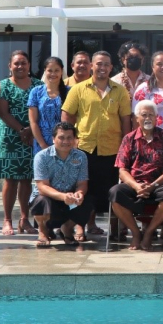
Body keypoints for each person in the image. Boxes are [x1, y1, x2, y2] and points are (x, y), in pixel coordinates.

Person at [61, 50, 132, 236]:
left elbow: (125, 120)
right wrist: (70, 143)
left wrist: (126, 147)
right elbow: (67, 117)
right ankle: (81, 226)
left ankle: (115, 229)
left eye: (106, 64)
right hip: (84, 148)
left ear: (111, 68)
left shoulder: (120, 91)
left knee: (112, 190)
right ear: (92, 66)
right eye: (99, 64)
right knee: (84, 190)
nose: (102, 67)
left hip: (112, 149)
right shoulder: (78, 89)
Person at [108, 100, 163, 251]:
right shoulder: (129, 139)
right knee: (114, 192)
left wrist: (153, 185)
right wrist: (136, 186)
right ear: (136, 118)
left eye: (151, 115)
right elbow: (122, 170)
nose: (148, 118)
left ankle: (148, 232)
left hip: (158, 184)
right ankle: (135, 233)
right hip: (135, 185)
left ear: (156, 118)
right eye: (144, 115)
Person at [0, 50, 42, 236]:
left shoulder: (39, 85)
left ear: (29, 66)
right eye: (16, 63)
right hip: (9, 138)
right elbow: (3, 113)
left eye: (24, 63)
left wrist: (31, 130)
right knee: (11, 179)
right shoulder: (3, 86)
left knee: (26, 179)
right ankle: (7, 220)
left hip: (32, 136)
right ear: (9, 66)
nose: (20, 66)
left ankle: (24, 219)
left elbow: (40, 109)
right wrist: (21, 130)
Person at [29, 122, 91, 247]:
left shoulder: (81, 156)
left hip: (70, 199)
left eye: (69, 138)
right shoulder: (42, 157)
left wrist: (79, 194)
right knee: (41, 200)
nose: (65, 141)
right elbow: (42, 187)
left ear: (74, 140)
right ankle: (42, 231)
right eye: (61, 138)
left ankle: (67, 229)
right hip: (50, 199)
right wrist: (63, 196)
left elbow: (82, 183)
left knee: (89, 200)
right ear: (53, 139)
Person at [28, 57, 68, 155]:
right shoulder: (36, 92)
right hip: (41, 144)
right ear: (45, 71)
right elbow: (33, 121)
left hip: (63, 144)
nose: (53, 74)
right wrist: (43, 145)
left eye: (56, 70)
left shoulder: (69, 92)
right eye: (50, 70)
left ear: (61, 71)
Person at [112, 41, 149, 106]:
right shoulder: (114, 82)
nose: (134, 59)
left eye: (137, 56)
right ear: (123, 60)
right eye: (130, 56)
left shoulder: (150, 81)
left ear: (142, 59)